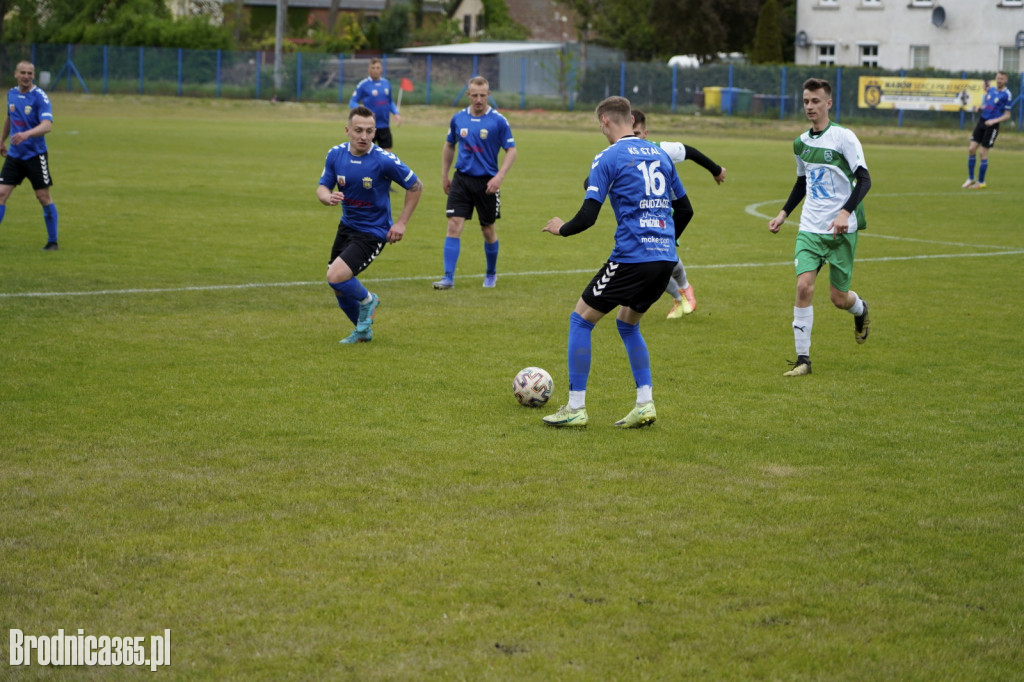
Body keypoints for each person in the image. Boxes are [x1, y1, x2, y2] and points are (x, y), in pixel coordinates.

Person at [541, 96, 692, 428]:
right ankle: (644, 404)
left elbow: (588, 216)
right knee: (627, 324)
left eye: (600, 124)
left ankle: (576, 407)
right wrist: (666, 240)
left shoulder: (607, 156)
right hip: (665, 259)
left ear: (606, 120)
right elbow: (685, 210)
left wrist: (561, 229)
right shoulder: (661, 154)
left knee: (580, 320)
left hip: (632, 257)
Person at [768, 78, 872, 377]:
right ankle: (803, 360)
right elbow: (802, 182)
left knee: (839, 299)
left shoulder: (844, 138)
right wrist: (784, 213)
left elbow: (864, 180)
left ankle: (860, 309)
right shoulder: (801, 142)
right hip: (810, 228)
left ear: (828, 103)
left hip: (841, 230)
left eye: (815, 101)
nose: (810, 107)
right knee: (803, 287)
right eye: (805, 101)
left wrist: (844, 212)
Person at [318, 106, 423, 344]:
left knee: (335, 276)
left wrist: (401, 223)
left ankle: (368, 300)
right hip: (347, 227)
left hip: (373, 232)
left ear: (375, 132)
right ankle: (362, 331)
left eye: (369, 131)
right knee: (338, 286)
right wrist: (327, 197)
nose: (364, 136)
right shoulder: (335, 154)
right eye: (358, 130)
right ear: (347, 131)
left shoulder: (383, 160)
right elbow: (322, 186)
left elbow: (416, 186)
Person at [631, 109, 726, 319]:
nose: (632, 139)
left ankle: (682, 292)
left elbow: (690, 151)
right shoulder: (621, 153)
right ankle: (682, 294)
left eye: (636, 134)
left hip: (664, 216)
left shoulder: (661, 149)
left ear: (645, 133)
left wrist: (716, 169)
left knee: (653, 262)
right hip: (639, 218)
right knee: (658, 261)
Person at [433, 76, 517, 290]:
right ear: (468, 95)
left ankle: (491, 273)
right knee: (453, 224)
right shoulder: (458, 119)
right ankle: (448, 278)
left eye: (483, 95)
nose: (478, 99)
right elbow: (449, 145)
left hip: (487, 182)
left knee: (487, 229)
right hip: (461, 180)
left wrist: (499, 177)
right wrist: (444, 174)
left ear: (488, 95)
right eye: (474, 95)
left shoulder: (498, 121)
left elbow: (511, 151)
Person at [1, 60, 59, 251]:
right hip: (15, 156)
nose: (26, 76)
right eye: (23, 73)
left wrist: (26, 134)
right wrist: (2, 140)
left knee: (43, 197)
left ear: (33, 76)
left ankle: (53, 242)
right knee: (1, 193)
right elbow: (9, 118)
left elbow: (47, 126)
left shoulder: (40, 97)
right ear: (16, 74)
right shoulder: (11, 94)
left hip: (36, 155)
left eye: (30, 73)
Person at [962, 70, 1012, 189]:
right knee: (971, 149)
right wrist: (981, 108)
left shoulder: (1007, 94)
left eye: (1002, 79)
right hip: (982, 121)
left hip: (992, 126)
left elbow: (1007, 115)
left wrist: (993, 121)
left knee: (982, 152)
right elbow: (989, 105)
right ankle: (971, 178)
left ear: (1006, 80)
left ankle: (981, 182)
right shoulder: (992, 90)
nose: (999, 80)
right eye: (998, 78)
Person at [348, 58, 402, 152]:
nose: (376, 70)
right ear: (369, 70)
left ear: (381, 69)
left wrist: (396, 113)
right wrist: (364, 111)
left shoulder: (386, 83)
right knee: (366, 153)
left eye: (378, 67)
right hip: (369, 127)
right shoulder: (363, 85)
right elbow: (352, 102)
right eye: (373, 68)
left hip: (384, 125)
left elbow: (390, 101)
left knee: (386, 155)